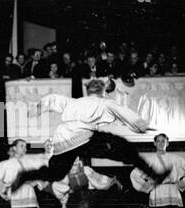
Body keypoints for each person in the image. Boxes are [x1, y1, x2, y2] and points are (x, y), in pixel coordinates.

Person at [10, 79, 169, 192]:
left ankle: (26, 175)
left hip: (62, 140)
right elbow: (125, 114)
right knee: (123, 147)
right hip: (83, 138)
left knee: (55, 173)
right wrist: (142, 126)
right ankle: (153, 174)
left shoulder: (72, 102)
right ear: (102, 92)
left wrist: (35, 111)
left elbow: (52, 99)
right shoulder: (104, 103)